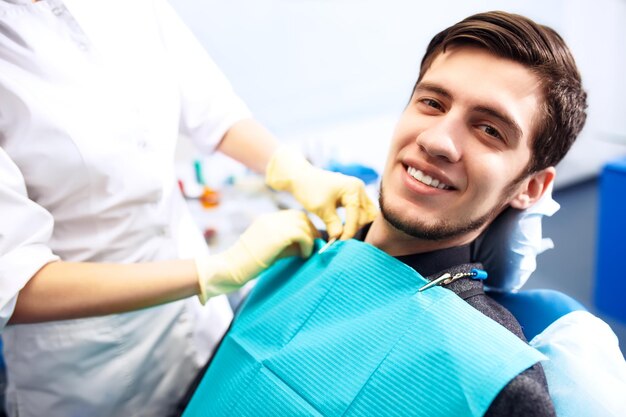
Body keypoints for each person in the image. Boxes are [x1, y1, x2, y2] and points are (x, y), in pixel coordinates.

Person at [181, 11, 588, 417]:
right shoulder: (295, 262)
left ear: (530, 188)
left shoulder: (498, 383)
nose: (437, 140)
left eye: (489, 130)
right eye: (432, 102)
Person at [0, 1, 376, 416]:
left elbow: (211, 109)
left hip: (204, 328)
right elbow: (16, 283)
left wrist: (292, 169)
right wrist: (215, 270)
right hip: (92, 375)